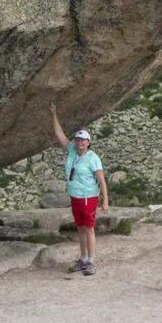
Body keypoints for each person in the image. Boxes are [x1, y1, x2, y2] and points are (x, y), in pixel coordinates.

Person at [50, 102, 108, 276]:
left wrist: (105, 200)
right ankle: (83, 258)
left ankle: (91, 261)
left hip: (88, 197)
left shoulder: (93, 158)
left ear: (88, 142)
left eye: (83, 140)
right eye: (77, 140)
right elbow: (59, 134)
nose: (79, 142)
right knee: (80, 228)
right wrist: (54, 113)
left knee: (89, 228)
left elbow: (102, 180)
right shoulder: (72, 152)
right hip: (75, 196)